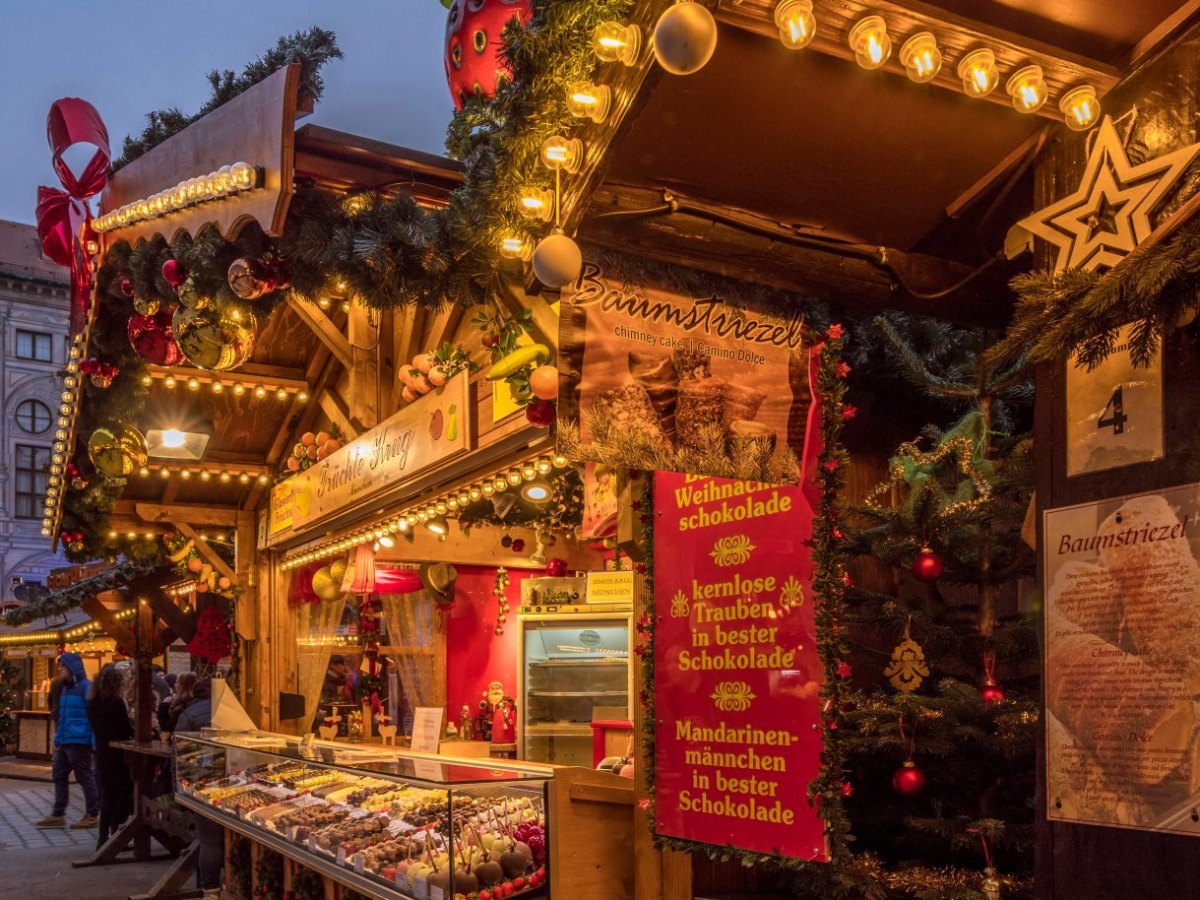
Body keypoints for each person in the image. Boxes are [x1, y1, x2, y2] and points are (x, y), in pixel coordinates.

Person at [36, 652, 100, 829]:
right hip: (65, 740)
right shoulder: (65, 688)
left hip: (80, 741)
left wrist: (92, 741)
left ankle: (92, 814)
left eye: (62, 666)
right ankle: (58, 813)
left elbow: (93, 717)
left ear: (71, 668)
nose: (59, 669)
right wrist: (57, 740)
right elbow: (63, 716)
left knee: (84, 776)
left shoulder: (87, 687)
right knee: (59, 774)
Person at [174, 678, 221, 900]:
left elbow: (179, 754)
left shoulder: (189, 714)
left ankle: (210, 891)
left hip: (201, 780)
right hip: (234, 779)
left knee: (209, 839)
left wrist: (180, 790)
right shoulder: (230, 711)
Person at [86, 664, 134, 847]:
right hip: (118, 754)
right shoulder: (116, 702)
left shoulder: (92, 702)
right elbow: (125, 729)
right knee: (122, 793)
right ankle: (116, 835)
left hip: (102, 751)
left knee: (107, 795)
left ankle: (102, 837)